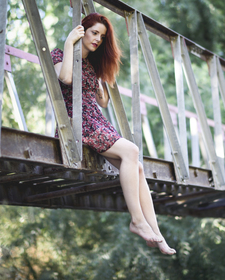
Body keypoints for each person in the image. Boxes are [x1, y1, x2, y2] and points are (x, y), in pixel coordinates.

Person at [51, 13, 175, 255]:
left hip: (96, 120)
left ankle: (156, 232)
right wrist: (69, 43)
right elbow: (65, 78)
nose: (97, 39)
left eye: (102, 36)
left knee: (137, 166)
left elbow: (103, 101)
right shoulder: (59, 53)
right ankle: (137, 221)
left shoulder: (91, 65)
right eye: (94, 33)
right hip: (77, 122)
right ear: (82, 31)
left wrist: (101, 74)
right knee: (132, 151)